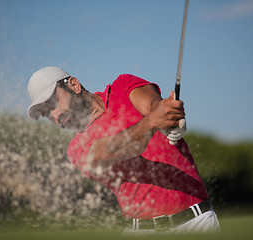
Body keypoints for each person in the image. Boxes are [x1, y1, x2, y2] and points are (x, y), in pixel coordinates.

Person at [27, 66, 220, 233]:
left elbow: (153, 106)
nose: (55, 115)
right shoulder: (76, 148)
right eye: (46, 113)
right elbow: (110, 151)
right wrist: (154, 121)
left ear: (74, 85)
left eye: (53, 103)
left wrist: (168, 114)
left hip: (196, 222)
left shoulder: (122, 85)